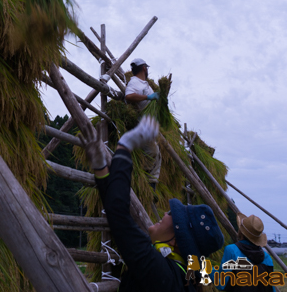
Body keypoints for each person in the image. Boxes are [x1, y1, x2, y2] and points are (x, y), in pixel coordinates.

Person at [83, 116, 224, 291]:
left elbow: (119, 215)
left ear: (177, 241)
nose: (165, 213)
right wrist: (101, 169)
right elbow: (115, 215)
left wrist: (125, 147)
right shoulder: (178, 273)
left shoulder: (161, 273)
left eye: (172, 215)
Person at [124, 58, 162, 187]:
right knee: (153, 152)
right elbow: (128, 96)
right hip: (141, 124)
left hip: (149, 125)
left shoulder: (145, 84)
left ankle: (151, 183)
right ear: (144, 68)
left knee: (157, 154)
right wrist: (148, 97)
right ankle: (146, 184)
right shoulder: (135, 82)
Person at [216, 213, 275, 292]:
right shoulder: (267, 258)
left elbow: (221, 284)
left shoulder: (232, 251)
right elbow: (271, 289)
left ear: (241, 231)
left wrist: (210, 270)